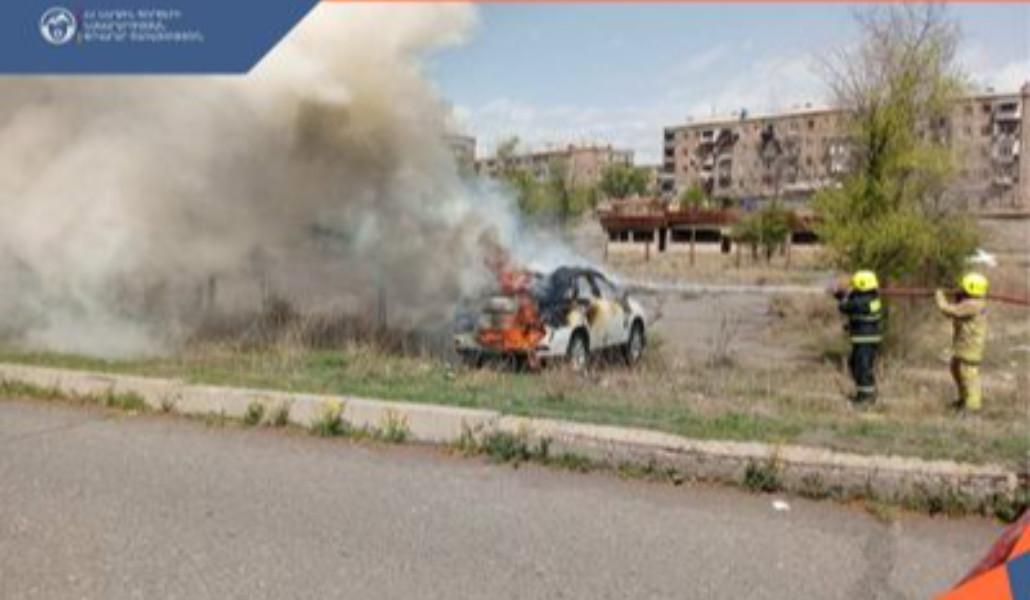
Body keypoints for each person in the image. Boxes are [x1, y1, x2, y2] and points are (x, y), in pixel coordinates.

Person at [935, 273, 989, 413]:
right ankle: (964, 398)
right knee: (956, 368)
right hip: (964, 344)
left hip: (970, 346)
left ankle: (972, 406)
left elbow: (949, 311)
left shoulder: (972, 305)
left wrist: (940, 297)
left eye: (964, 287)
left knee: (968, 374)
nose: (961, 289)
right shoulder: (975, 302)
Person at [834, 270, 884, 405]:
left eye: (855, 286)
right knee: (856, 365)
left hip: (864, 339)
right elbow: (853, 303)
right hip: (867, 339)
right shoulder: (872, 299)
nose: (853, 288)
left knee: (862, 368)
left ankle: (865, 398)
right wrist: (842, 295)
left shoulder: (861, 302)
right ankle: (867, 393)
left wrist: (844, 296)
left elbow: (844, 307)